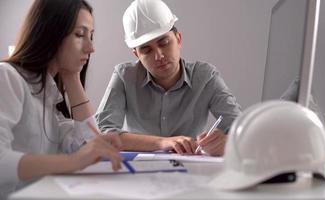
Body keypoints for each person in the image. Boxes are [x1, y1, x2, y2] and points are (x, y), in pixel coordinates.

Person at [0, 0, 122, 198]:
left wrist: (72, 77)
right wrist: (73, 162)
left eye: (90, 36)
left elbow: (91, 145)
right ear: (50, 33)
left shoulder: (49, 96)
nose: (91, 48)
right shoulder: (7, 77)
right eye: (80, 35)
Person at [96, 0, 241, 156]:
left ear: (178, 39)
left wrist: (228, 142)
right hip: (139, 173)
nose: (159, 56)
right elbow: (104, 135)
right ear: (136, 54)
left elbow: (242, 128)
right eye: (146, 50)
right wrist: (163, 142)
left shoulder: (206, 77)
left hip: (190, 172)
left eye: (164, 42)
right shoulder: (124, 77)